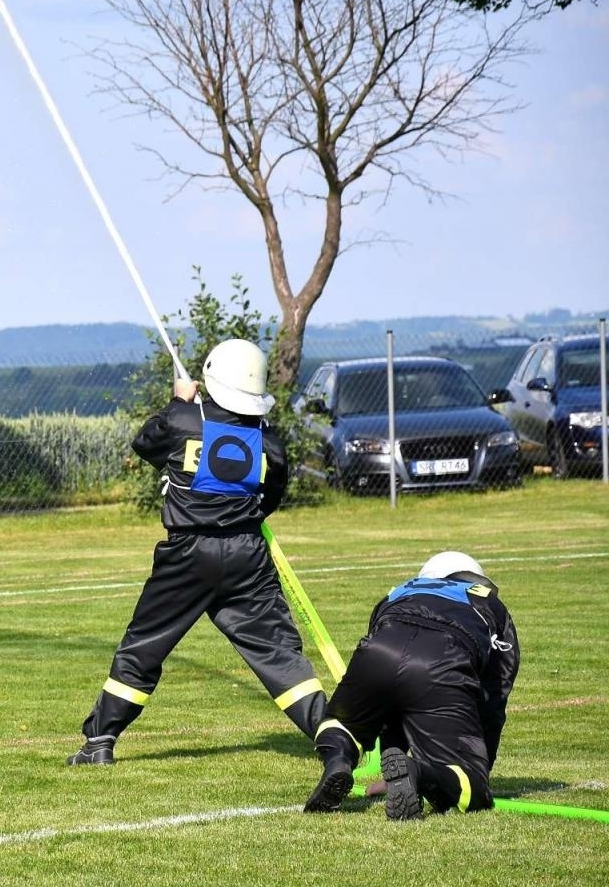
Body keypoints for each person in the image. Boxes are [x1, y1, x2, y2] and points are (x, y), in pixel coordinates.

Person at [69, 338, 331, 766]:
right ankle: (331, 736)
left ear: (213, 377)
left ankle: (100, 741)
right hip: (249, 557)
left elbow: (145, 443)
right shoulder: (273, 444)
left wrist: (177, 402)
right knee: (280, 654)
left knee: (144, 646)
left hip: (187, 555)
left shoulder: (182, 418)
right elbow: (270, 500)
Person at [304, 551, 520, 819]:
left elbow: (391, 696)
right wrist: (478, 767)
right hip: (442, 658)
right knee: (473, 789)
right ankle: (420, 773)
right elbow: (494, 696)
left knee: (339, 723)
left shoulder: (398, 592)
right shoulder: (490, 603)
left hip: (378, 653)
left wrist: (391, 769)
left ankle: (338, 761)